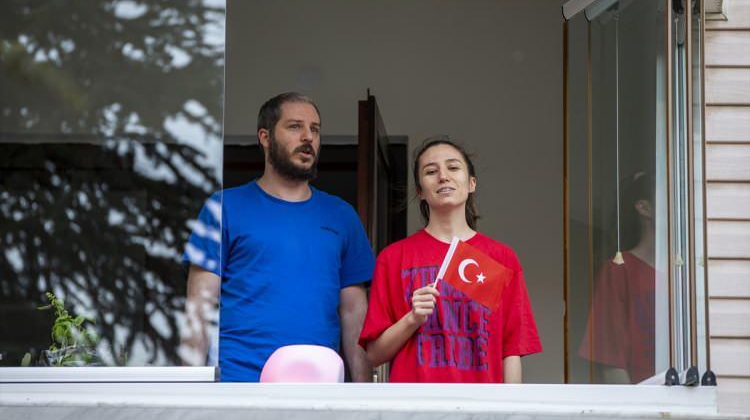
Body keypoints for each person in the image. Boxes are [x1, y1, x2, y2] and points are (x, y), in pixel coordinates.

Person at [180, 92, 374, 382]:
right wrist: (188, 391)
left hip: (318, 384)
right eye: (295, 126)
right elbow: (199, 306)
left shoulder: (342, 216)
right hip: (239, 382)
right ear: (265, 137)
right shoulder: (224, 207)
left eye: (315, 129)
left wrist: (364, 393)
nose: (308, 137)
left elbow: (354, 314)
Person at [358, 137, 542, 383]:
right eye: (431, 171)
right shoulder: (393, 258)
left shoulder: (501, 258)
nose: (443, 176)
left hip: (483, 403)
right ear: (420, 191)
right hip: (414, 403)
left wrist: (511, 405)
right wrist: (412, 319)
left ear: (472, 183)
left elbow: (511, 350)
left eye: (453, 167)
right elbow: (373, 355)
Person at [578, 172, 656, 384]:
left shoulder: (682, 274)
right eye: (667, 198)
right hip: (644, 401)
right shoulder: (618, 271)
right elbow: (611, 364)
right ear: (645, 208)